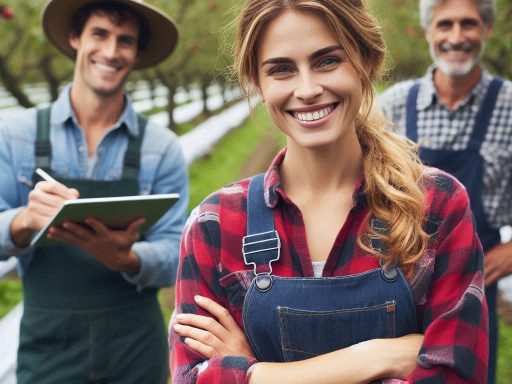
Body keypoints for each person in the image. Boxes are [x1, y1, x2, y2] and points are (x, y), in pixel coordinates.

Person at [169, 0, 488, 383]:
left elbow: (455, 373)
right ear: (258, 83)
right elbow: (191, 377)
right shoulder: (215, 224)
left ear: (365, 61)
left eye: (327, 61)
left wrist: (251, 371)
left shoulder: (435, 205)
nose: (307, 89)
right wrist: (375, 357)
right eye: (282, 69)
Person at [0, 0, 188, 383]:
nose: (111, 51)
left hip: (134, 347)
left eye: (126, 41)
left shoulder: (161, 147)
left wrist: (128, 258)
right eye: (99, 34)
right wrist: (24, 220)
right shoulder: (15, 136)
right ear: (75, 38)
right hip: (49, 347)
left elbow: (177, 256)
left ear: (135, 54)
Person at [378, 1, 512, 382]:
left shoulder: (509, 106)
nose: (456, 37)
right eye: (445, 24)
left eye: (468, 24)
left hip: (473, 287)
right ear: (428, 32)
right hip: (398, 281)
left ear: (486, 29)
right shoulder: (395, 106)